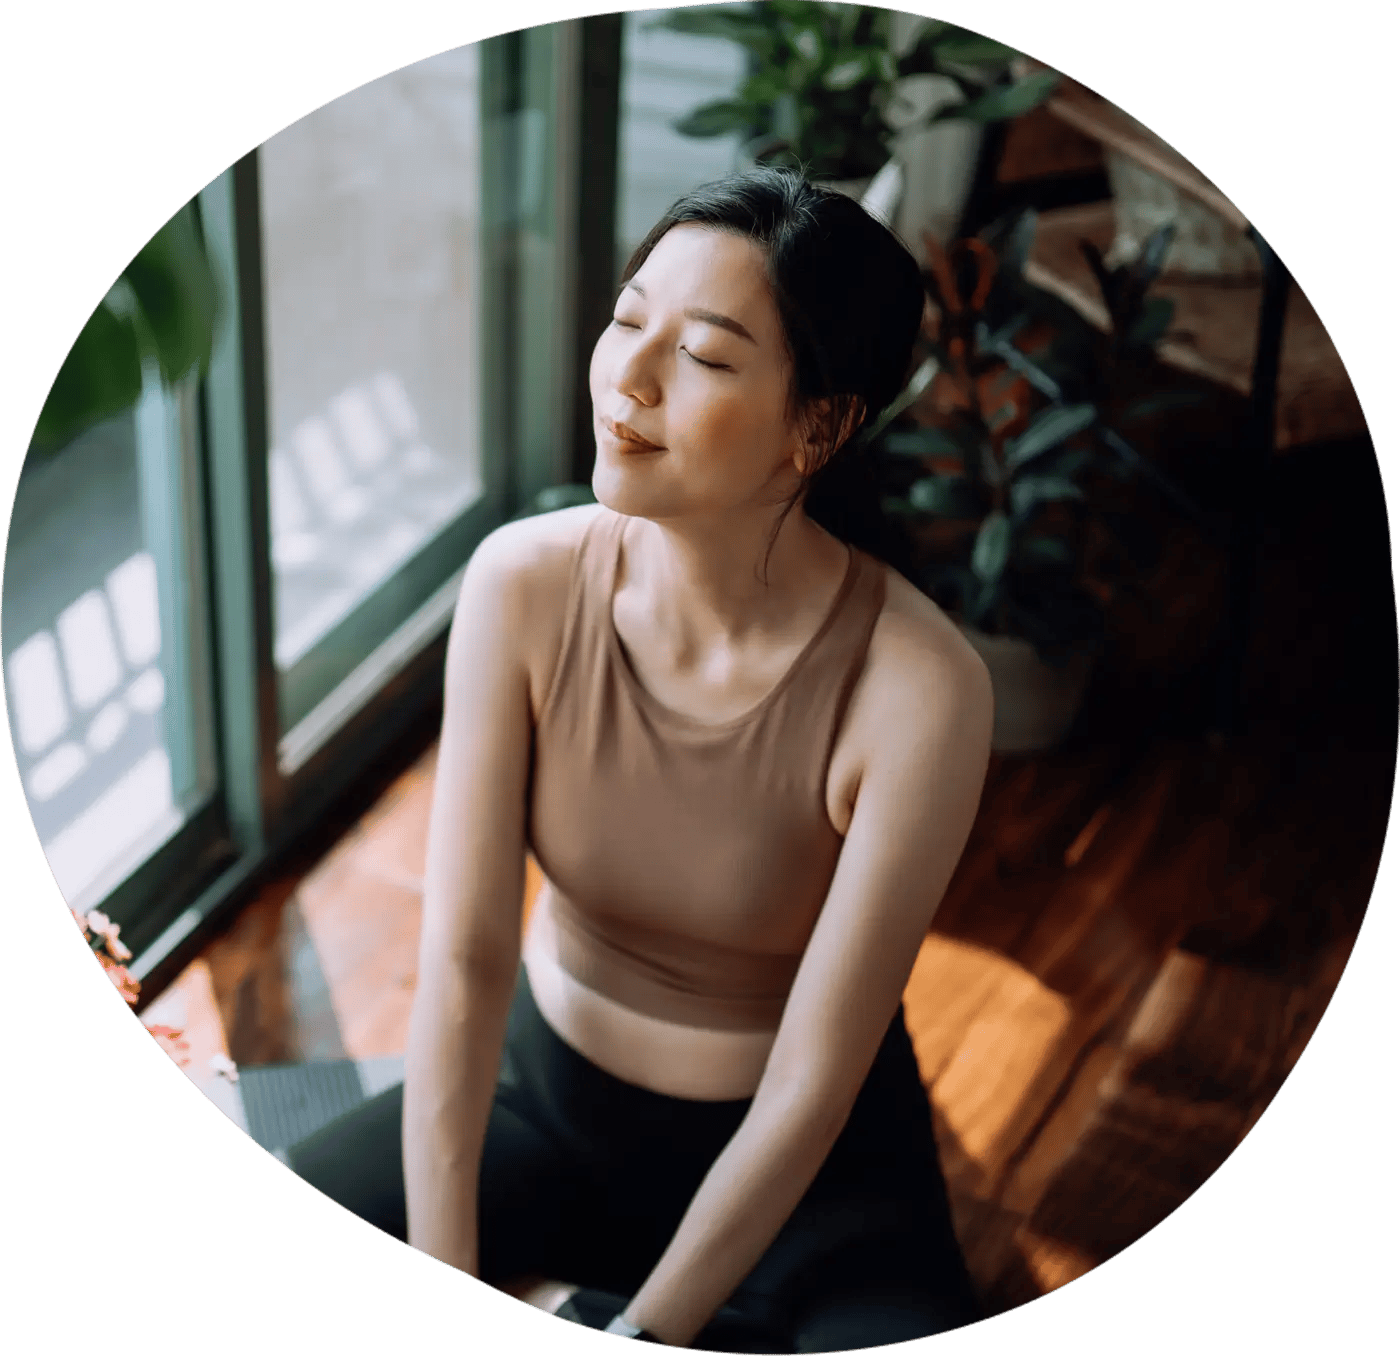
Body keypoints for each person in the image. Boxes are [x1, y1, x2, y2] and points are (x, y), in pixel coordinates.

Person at [289, 168, 994, 1353]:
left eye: (708, 358)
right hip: (541, 1103)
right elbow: (463, 960)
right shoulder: (521, 581)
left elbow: (814, 1082)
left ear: (815, 426)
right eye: (627, 320)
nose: (631, 375)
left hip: (808, 1178)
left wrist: (650, 1334)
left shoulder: (919, 689)